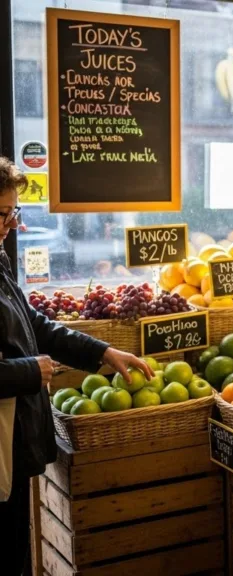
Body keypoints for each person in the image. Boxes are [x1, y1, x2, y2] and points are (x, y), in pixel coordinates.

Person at [0, 156, 153, 575]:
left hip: (13, 441)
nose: (12, 224)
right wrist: (30, 372)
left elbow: (37, 325)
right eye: (1, 214)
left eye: (13, 212)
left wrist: (102, 353)